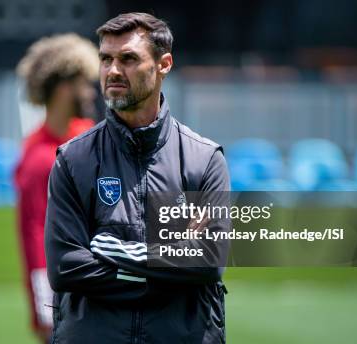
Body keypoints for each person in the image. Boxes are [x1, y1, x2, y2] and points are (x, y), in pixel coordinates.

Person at [44, 13, 230, 343]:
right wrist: (169, 263)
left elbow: (207, 263)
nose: (113, 70)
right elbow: (66, 268)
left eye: (128, 58)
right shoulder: (73, 160)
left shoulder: (205, 160)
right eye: (106, 59)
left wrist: (109, 250)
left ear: (164, 64)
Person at [14, 33, 98, 342]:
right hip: (64, 296)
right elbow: (33, 230)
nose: (91, 93)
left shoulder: (90, 135)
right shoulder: (37, 157)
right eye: (84, 83)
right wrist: (43, 304)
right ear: (64, 88)